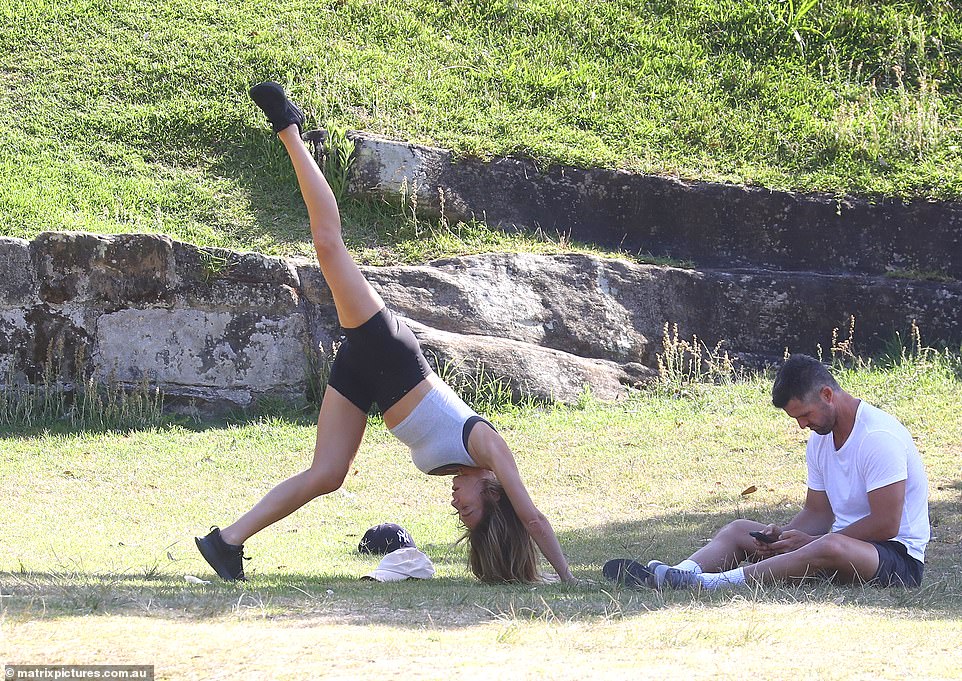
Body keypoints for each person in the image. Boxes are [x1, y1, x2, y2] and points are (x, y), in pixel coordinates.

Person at [194, 82, 578, 585]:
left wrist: (526, 576)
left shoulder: (470, 471)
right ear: (492, 489)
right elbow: (532, 519)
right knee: (329, 248)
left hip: (372, 379)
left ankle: (225, 544)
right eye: (469, 510)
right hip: (391, 358)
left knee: (328, 474)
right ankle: (289, 127)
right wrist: (569, 580)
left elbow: (514, 534)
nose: (456, 505)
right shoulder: (490, 449)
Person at [604, 354, 930, 590]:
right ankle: (673, 574)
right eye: (796, 419)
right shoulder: (820, 439)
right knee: (739, 530)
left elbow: (887, 525)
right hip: (839, 546)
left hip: (895, 560)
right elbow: (817, 512)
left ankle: (707, 585)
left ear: (827, 395)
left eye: (805, 414)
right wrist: (784, 537)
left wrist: (812, 541)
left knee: (828, 547)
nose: (803, 425)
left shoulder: (877, 437)